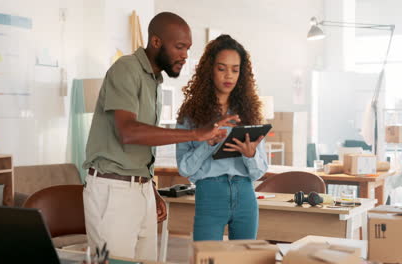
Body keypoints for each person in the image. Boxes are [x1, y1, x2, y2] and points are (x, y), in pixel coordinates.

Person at [82, 12, 239, 260]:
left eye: (187, 48)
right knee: (114, 262)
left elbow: (141, 148)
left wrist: (149, 188)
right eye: (179, 47)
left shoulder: (154, 80)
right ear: (156, 42)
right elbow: (128, 132)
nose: (185, 55)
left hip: (140, 189)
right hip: (112, 191)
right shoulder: (126, 69)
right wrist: (196, 134)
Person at [176, 34, 268, 241]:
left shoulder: (250, 112)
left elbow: (259, 171)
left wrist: (250, 155)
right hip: (210, 194)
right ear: (210, 70)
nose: (229, 76)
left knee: (246, 260)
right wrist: (208, 143)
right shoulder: (190, 114)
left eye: (235, 70)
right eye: (222, 68)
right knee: (207, 258)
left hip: (245, 194)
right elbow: (184, 169)